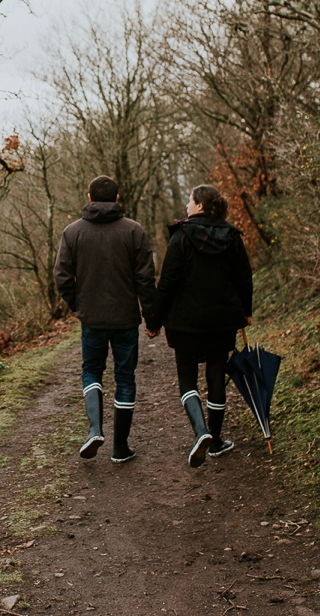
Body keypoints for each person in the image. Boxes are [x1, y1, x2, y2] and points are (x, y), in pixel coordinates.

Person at [54, 175, 158, 463]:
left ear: (89, 198)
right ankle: (119, 448)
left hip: (92, 319)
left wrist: (78, 304)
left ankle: (95, 429)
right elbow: (145, 279)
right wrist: (151, 318)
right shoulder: (133, 231)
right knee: (125, 378)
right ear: (117, 197)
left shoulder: (72, 233)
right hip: (125, 319)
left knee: (91, 371)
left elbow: (62, 277)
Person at [147, 185, 253, 467]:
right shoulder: (232, 237)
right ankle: (216, 441)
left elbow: (167, 281)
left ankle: (201, 431)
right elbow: (244, 277)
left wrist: (154, 321)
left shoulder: (181, 236)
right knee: (216, 375)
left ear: (201, 205)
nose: (187, 206)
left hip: (186, 323)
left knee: (187, 380)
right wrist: (247, 311)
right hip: (222, 322)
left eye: (190, 201)